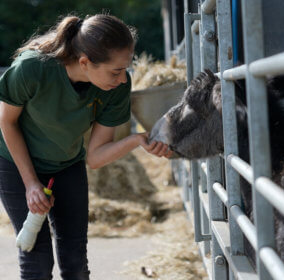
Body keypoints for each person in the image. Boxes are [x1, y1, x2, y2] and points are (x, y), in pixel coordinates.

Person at [0, 14, 171, 280]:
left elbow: (95, 157)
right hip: (16, 162)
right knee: (37, 263)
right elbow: (7, 123)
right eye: (115, 71)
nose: (123, 79)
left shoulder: (115, 87)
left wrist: (136, 140)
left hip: (66, 164)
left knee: (75, 262)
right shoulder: (32, 69)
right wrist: (31, 184)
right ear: (84, 62)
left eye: (125, 69)